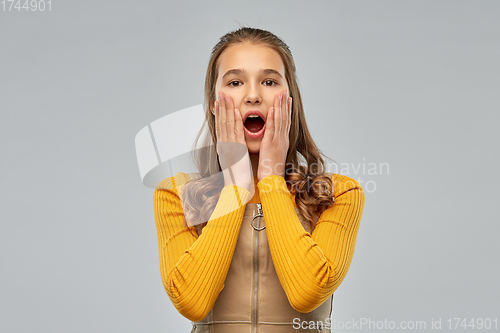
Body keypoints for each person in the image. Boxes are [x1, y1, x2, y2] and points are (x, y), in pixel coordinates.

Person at [153, 27, 365, 333]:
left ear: (290, 101)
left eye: (269, 81)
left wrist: (270, 179)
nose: (253, 95)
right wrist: (237, 187)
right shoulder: (176, 195)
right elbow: (192, 302)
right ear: (214, 105)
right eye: (235, 82)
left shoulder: (338, 193)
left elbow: (307, 292)